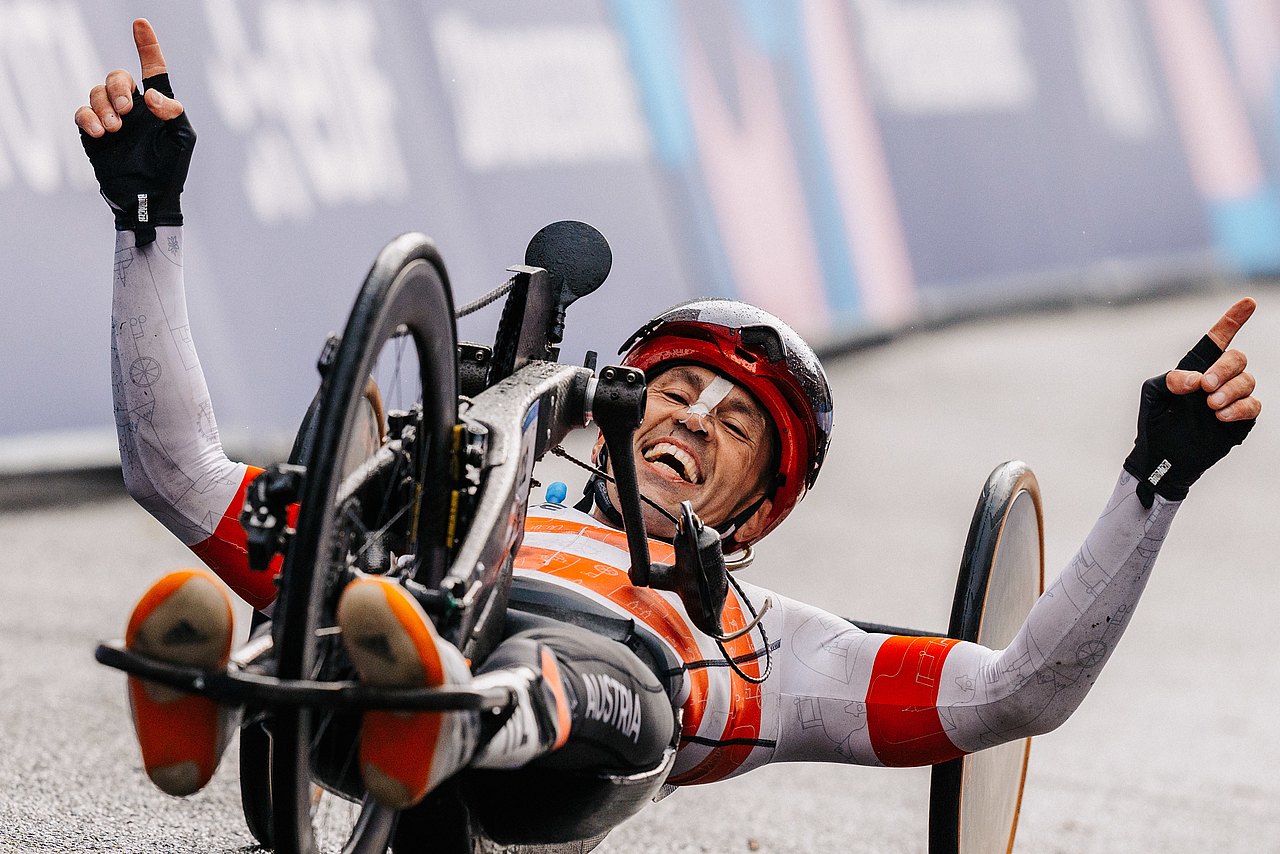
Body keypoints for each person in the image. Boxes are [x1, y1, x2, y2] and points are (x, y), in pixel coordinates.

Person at [79, 18, 1261, 833]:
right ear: (609, 415)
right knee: (357, 555)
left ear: (758, 501)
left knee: (636, 677)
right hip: (388, 648)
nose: (694, 414)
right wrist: (149, 221)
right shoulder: (478, 488)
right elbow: (174, 468)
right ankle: (222, 685)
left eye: (736, 420)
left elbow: (1011, 692)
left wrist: (1154, 477)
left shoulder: (772, 638)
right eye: (678, 389)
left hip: (564, 750)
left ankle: (457, 708)